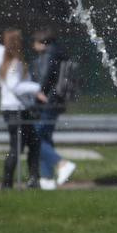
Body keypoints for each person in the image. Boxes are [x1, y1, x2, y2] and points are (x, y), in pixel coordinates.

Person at [0, 28, 41, 190]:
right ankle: (7, 183)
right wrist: (37, 88)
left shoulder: (5, 63)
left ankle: (32, 179)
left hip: (13, 108)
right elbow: (14, 86)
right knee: (17, 147)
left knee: (32, 144)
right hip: (16, 109)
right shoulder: (14, 63)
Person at [30, 26, 77, 190]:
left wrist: (37, 92)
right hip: (57, 100)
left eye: (35, 42)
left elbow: (45, 76)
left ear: (42, 42)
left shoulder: (49, 55)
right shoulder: (59, 53)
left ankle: (62, 164)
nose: (33, 46)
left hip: (47, 101)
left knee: (33, 137)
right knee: (45, 137)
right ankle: (48, 179)